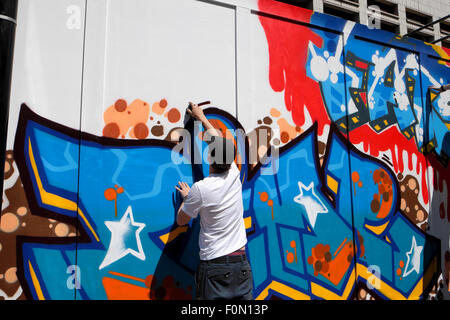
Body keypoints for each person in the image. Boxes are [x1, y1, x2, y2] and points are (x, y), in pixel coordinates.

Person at [174, 102, 253, 300]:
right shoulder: (234, 173)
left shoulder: (201, 189)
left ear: (210, 158)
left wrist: (186, 199)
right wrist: (203, 118)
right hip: (241, 266)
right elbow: (218, 143)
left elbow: (181, 220)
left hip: (215, 269)